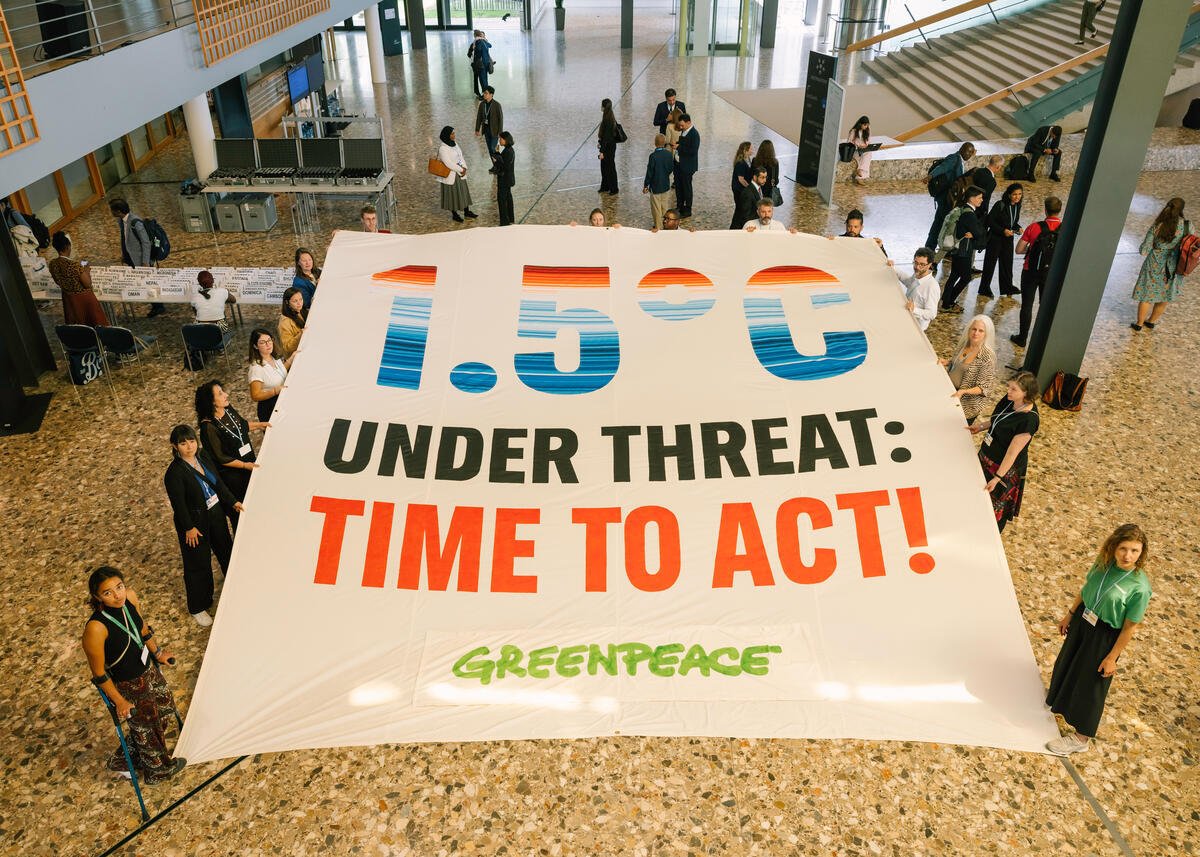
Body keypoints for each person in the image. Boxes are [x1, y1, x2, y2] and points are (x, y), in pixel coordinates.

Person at [1045, 522, 1152, 756]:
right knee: (1067, 663)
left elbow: (1129, 628)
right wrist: (1070, 614)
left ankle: (1081, 737)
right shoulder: (1103, 563)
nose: (1128, 555)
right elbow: (1086, 589)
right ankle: (1058, 700)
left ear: (1142, 552)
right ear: (1113, 547)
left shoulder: (1140, 587)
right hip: (1084, 620)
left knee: (1091, 685)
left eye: (1135, 550)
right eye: (1124, 548)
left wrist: (1112, 658)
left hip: (1106, 634)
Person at [82, 566, 186, 783]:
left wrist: (157, 652)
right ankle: (158, 772)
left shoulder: (130, 597)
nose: (117, 595)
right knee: (147, 725)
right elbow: (99, 673)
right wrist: (119, 701)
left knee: (164, 709)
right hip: (128, 683)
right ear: (97, 597)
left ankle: (121, 760)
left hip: (147, 668)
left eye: (119, 587)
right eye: (108, 592)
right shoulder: (96, 628)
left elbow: (142, 628)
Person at [162, 424, 241, 625]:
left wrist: (232, 500)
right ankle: (198, 606)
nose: (189, 446)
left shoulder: (203, 456)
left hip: (214, 513)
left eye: (191, 441)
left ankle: (235, 587)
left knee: (226, 549)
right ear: (175, 446)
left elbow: (218, 482)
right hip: (194, 524)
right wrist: (189, 527)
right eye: (183, 443)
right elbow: (178, 504)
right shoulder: (174, 473)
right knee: (198, 563)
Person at [969, 370, 1039, 532]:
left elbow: (1012, 453)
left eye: (1014, 389)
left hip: (1003, 468)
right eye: (1009, 387)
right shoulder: (1009, 400)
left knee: (995, 506)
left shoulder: (1029, 420)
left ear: (1026, 393)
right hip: (987, 456)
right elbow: (998, 419)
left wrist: (997, 478)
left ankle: (989, 534)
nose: (1009, 391)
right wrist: (980, 427)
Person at [196, 379, 264, 505]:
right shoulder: (208, 428)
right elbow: (221, 458)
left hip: (248, 460)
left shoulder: (227, 409)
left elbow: (242, 426)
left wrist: (261, 425)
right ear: (211, 401)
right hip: (235, 476)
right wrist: (245, 465)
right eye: (220, 394)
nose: (226, 395)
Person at [1010, 196, 1064, 347]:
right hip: (1052, 274)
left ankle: (1022, 338)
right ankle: (1042, 340)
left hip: (1030, 271)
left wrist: (1031, 249)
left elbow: (1019, 250)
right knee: (1046, 305)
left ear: (1045, 210)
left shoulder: (1034, 227)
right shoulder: (1065, 229)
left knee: (1027, 305)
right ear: (1059, 210)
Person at [1131, 197, 1190, 330]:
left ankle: (1139, 324)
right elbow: (1191, 244)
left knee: (1147, 295)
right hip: (1174, 266)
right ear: (1181, 210)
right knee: (1165, 296)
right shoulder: (1187, 225)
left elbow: (1144, 250)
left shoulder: (1159, 224)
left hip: (1154, 263)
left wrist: (1150, 248)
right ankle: (1151, 321)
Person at [109, 198, 164, 318]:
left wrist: (145, 262)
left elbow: (145, 243)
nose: (110, 212)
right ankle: (154, 303)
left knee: (149, 282)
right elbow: (125, 239)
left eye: (112, 210)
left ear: (118, 211)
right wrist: (125, 255)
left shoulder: (135, 222)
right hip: (132, 258)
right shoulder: (121, 221)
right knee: (144, 283)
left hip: (141, 260)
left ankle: (158, 306)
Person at [938, 315, 996, 422]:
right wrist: (948, 362)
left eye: (981, 331)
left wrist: (963, 391)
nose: (976, 333)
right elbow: (959, 364)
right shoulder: (964, 345)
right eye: (974, 329)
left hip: (966, 406)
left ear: (986, 334)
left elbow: (983, 388)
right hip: (950, 392)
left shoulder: (987, 358)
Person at [939, 185, 985, 312]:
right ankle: (948, 303)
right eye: (979, 198)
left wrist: (974, 233)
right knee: (966, 277)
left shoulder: (961, 208)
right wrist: (976, 233)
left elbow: (973, 232)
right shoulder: (969, 215)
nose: (981, 200)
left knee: (954, 275)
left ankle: (946, 301)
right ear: (971, 198)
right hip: (963, 251)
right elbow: (979, 232)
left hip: (956, 249)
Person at [48, 231, 108, 327]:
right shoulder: (74, 265)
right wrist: (87, 270)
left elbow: (57, 281)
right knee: (95, 325)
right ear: (68, 247)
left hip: (69, 300)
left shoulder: (52, 264)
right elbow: (87, 284)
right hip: (84, 301)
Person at [924, 143, 976, 252]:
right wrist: (930, 176)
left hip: (948, 198)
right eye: (968, 151)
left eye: (972, 152)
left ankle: (937, 248)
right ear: (962, 149)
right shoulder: (954, 158)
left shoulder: (959, 159)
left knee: (942, 223)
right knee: (939, 224)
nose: (970, 154)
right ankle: (929, 248)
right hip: (945, 199)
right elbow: (942, 167)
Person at [979, 183, 1023, 298]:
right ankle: (984, 288)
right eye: (1014, 194)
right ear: (1009, 195)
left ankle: (1007, 287)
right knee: (990, 264)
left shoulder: (1017, 206)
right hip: (995, 238)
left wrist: (1017, 227)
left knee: (1007, 263)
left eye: (1019, 194)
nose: (1017, 197)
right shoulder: (1000, 205)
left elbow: (1012, 221)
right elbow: (990, 221)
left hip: (1008, 239)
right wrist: (1003, 230)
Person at [248, 328, 294, 421]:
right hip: (270, 407)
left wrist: (292, 358)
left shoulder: (273, 356)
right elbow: (255, 395)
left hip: (282, 401)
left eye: (269, 340)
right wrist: (274, 391)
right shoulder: (256, 368)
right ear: (255, 346)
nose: (268, 344)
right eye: (262, 342)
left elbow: (278, 374)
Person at [436, 126, 477, 224]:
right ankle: (455, 214)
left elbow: (460, 156)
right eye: (452, 134)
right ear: (447, 135)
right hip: (451, 175)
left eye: (454, 133)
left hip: (460, 173)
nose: (454, 135)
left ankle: (467, 212)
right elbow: (448, 163)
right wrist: (460, 169)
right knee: (452, 195)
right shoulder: (443, 149)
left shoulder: (455, 144)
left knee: (463, 193)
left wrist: (464, 167)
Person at [895, 248, 940, 332]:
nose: (917, 267)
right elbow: (909, 283)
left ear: (929, 264)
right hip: (905, 319)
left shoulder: (932, 287)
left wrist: (914, 309)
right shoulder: (918, 274)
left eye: (922, 264)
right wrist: (893, 267)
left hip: (916, 327)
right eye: (916, 263)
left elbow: (932, 314)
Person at [643, 134, 675, 230]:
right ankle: (666, 224)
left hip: (655, 186)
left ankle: (658, 227)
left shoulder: (653, 156)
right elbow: (671, 168)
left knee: (656, 209)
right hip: (665, 185)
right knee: (664, 206)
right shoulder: (669, 154)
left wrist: (646, 185)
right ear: (664, 143)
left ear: (655, 143)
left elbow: (650, 172)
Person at [674, 114, 700, 219]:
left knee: (686, 188)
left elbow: (693, 151)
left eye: (682, 125)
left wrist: (679, 147)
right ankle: (679, 206)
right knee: (679, 186)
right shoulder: (684, 131)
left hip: (687, 166)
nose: (680, 127)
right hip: (679, 165)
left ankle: (687, 209)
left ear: (688, 122)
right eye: (680, 125)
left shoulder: (694, 134)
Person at [475, 86, 504, 168]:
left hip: (495, 131)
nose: (484, 95)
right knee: (490, 150)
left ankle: (500, 165)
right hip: (486, 131)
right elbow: (479, 117)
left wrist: (500, 133)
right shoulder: (482, 104)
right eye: (484, 93)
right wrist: (477, 129)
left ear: (491, 94)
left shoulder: (497, 105)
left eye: (486, 93)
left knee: (493, 148)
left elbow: (501, 119)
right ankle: (495, 165)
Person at [598, 98, 621, 196]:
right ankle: (605, 186)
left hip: (608, 147)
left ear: (603, 107)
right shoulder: (609, 116)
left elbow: (607, 137)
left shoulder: (607, 119)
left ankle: (614, 188)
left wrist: (602, 151)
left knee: (610, 167)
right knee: (604, 167)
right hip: (609, 145)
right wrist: (600, 142)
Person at [278, 286, 307, 358]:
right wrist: (300, 335)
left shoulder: (300, 310)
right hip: (296, 357)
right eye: (295, 301)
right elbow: (287, 349)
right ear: (287, 302)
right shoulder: (284, 323)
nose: (299, 303)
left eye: (301, 299)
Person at [495, 131, 516, 226]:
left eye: (501, 139)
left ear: (505, 140)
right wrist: (498, 153)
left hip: (504, 180)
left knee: (502, 201)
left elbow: (503, 166)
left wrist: (496, 155)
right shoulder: (509, 150)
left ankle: (504, 222)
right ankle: (510, 218)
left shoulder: (507, 151)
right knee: (508, 199)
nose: (499, 140)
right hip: (508, 179)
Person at [751, 140, 780, 207]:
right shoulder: (775, 163)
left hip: (757, 190)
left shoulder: (755, 160)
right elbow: (776, 180)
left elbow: (751, 176)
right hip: (769, 192)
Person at [846, 116, 872, 183]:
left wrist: (866, 145)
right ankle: (860, 176)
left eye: (867, 125)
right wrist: (857, 146)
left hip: (863, 150)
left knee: (868, 154)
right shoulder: (853, 131)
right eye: (865, 125)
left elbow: (869, 141)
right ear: (860, 124)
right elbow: (849, 143)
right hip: (855, 150)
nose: (866, 127)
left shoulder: (867, 131)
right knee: (861, 157)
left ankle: (860, 171)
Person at [467, 30, 492, 98]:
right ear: (480, 35)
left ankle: (484, 95)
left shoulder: (476, 43)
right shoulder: (484, 42)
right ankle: (485, 93)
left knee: (481, 79)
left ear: (475, 35)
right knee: (484, 79)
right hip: (484, 63)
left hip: (479, 65)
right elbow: (490, 46)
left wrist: (474, 54)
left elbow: (471, 54)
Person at [731, 141, 754, 205]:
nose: (752, 150)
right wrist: (750, 188)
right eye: (751, 149)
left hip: (743, 188)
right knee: (740, 207)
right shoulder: (741, 163)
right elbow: (741, 179)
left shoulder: (748, 159)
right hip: (739, 189)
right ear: (745, 151)